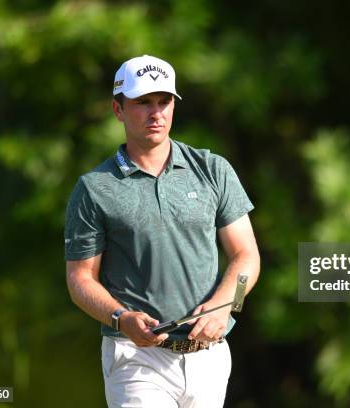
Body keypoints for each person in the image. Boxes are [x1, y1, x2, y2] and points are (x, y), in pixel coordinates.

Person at [64, 55, 260, 407]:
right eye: (143, 103)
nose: (157, 113)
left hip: (209, 357)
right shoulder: (94, 188)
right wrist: (120, 318)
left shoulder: (213, 170)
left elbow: (247, 256)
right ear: (118, 109)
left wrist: (227, 307)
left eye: (164, 101)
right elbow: (80, 280)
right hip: (136, 358)